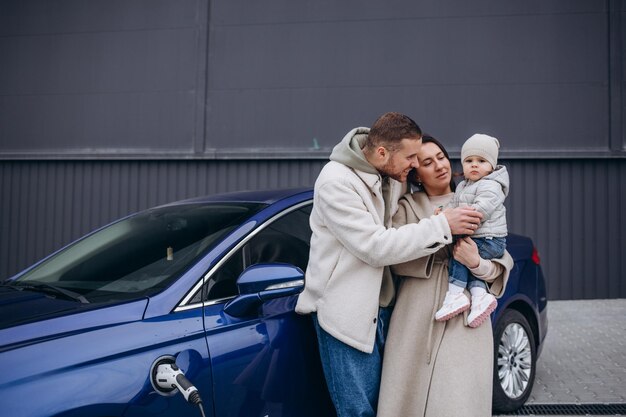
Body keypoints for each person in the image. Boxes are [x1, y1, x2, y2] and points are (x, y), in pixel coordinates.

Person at [295, 113, 484, 417]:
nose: (414, 164)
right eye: (411, 157)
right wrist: (442, 225)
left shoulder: (390, 173)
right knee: (359, 412)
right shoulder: (336, 182)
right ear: (382, 152)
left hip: (385, 311)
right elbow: (375, 246)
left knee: (389, 408)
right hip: (346, 317)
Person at [377, 135, 514, 417]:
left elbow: (500, 261)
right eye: (427, 162)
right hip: (416, 316)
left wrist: (476, 263)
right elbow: (395, 258)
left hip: (466, 318)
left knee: (456, 400)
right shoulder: (407, 208)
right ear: (416, 173)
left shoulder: (481, 196)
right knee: (407, 398)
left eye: (441, 157)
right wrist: (439, 231)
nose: (439, 166)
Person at [435, 133, 509, 328]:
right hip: (481, 237)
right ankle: (479, 298)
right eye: (469, 161)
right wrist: (443, 213)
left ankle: (455, 294)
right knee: (468, 262)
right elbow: (453, 204)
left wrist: (459, 216)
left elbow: (481, 209)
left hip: (490, 239)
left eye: (481, 161)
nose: (474, 165)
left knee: (460, 256)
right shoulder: (463, 186)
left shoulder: (491, 186)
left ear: (492, 166)